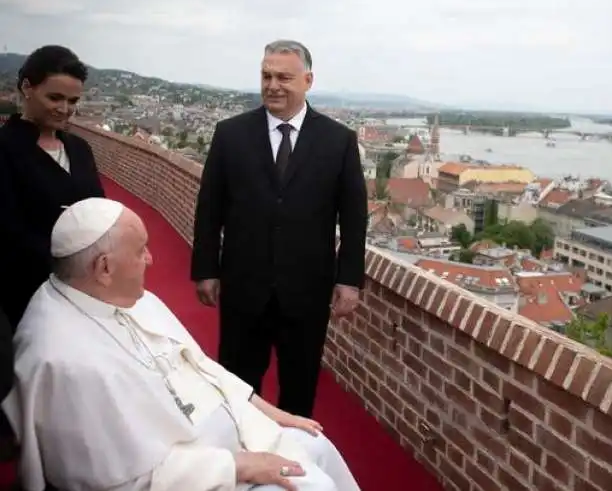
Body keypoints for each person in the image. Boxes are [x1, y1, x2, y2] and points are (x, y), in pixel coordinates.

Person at [2, 198, 361, 491]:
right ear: (104, 268)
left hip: (226, 435)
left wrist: (270, 412)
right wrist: (237, 466)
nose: (150, 259)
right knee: (309, 485)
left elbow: (202, 367)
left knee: (317, 444)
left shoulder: (130, 298)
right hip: (196, 472)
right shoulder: (64, 360)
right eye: (141, 250)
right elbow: (124, 480)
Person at [191, 40, 368, 418]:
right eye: (266, 75)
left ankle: (297, 462)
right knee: (237, 387)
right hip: (243, 286)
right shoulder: (230, 134)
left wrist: (349, 279)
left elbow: (354, 217)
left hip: (307, 290)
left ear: (307, 80)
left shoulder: (338, 141)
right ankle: (243, 458)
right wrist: (205, 269)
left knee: (300, 388)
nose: (272, 85)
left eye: (284, 77)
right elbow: (210, 209)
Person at [0, 45, 104, 330]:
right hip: (22, 291)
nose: (65, 109)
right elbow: (8, 229)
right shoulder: (4, 148)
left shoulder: (80, 149)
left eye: (73, 101)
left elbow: (98, 210)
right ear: (26, 88)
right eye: (55, 97)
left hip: (82, 291)